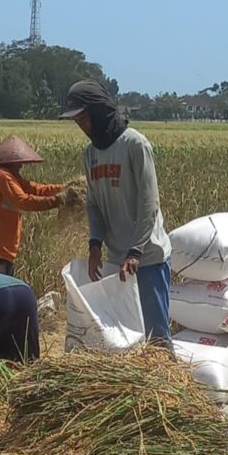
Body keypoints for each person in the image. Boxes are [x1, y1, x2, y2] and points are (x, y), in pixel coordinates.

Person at [61, 79, 173, 347]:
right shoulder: (90, 155)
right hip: (116, 261)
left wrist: (135, 251)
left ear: (98, 113)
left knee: (155, 338)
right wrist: (95, 246)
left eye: (83, 119)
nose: (80, 126)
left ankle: (163, 387)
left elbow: (149, 202)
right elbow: (94, 205)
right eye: (76, 121)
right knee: (126, 337)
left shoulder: (134, 144)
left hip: (147, 258)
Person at [0, 135, 65, 275]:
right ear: (10, 161)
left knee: (1, 290)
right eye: (18, 162)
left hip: (0, 249)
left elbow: (37, 189)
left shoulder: (12, 177)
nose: (21, 165)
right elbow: (23, 201)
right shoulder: (2, 176)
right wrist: (57, 201)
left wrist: (65, 188)